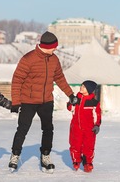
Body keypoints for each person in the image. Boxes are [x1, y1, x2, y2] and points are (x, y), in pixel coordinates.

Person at [8, 31, 78, 173]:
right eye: (53, 47)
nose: (55, 49)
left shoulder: (54, 59)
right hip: (28, 100)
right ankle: (15, 154)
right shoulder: (28, 59)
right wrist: (16, 101)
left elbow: (60, 78)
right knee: (22, 128)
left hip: (46, 100)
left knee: (48, 129)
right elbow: (17, 80)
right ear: (46, 46)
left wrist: (70, 94)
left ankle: (45, 155)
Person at [67, 80, 102, 173]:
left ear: (89, 89)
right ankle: (76, 161)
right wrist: (71, 102)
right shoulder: (76, 99)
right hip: (76, 127)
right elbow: (70, 108)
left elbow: (97, 115)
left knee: (89, 146)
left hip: (89, 129)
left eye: (84, 86)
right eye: (81, 85)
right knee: (75, 145)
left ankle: (88, 163)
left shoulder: (94, 102)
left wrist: (97, 125)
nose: (81, 87)